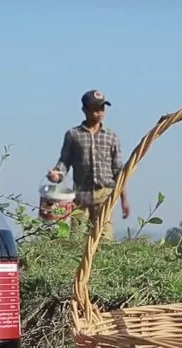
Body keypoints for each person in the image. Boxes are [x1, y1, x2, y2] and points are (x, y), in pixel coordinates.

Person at [47, 89, 130, 241]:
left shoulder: (111, 137)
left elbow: (118, 169)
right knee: (76, 237)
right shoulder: (73, 135)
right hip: (81, 194)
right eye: (95, 109)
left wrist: (124, 199)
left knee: (104, 237)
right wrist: (56, 175)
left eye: (102, 109)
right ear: (85, 110)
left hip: (105, 193)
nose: (99, 113)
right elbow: (64, 162)